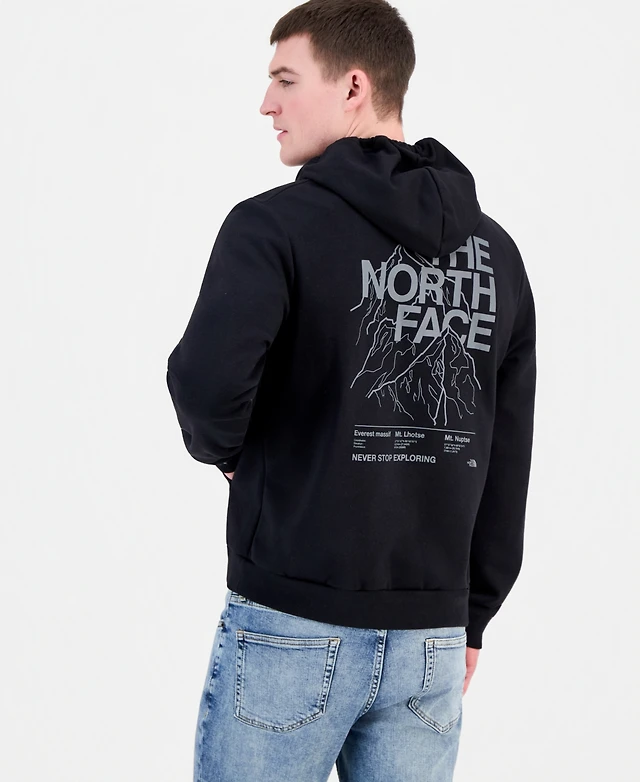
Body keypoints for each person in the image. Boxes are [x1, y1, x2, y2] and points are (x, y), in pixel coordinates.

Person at [166, 1, 537, 780]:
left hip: (293, 619)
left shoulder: (273, 227)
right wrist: (471, 615)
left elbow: (204, 383)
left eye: (285, 79)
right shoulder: (497, 256)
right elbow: (506, 457)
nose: (266, 104)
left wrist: (231, 454)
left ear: (354, 87)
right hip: (432, 639)